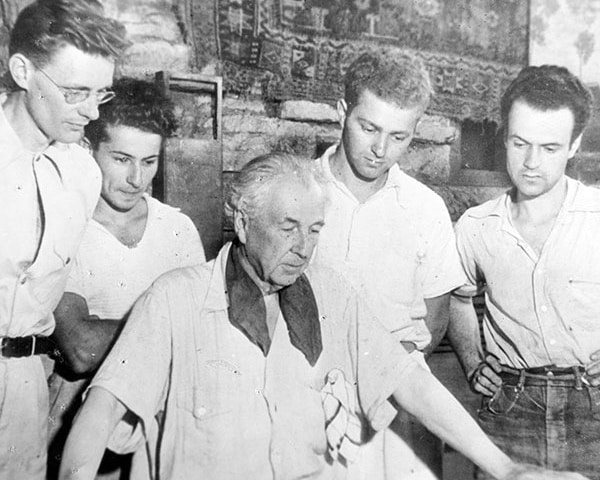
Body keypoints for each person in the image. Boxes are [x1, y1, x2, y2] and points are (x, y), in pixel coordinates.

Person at [58, 153, 587, 480]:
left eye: (315, 230)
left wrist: (507, 467)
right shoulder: (176, 300)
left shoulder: (329, 295)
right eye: (288, 226)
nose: (303, 247)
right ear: (242, 221)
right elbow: (97, 419)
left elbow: (410, 382)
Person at [313, 51, 465, 478]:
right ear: (342, 112)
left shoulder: (426, 209)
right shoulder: (299, 191)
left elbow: (435, 320)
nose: (380, 150)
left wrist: (390, 371)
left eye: (399, 136)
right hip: (311, 392)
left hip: (402, 403)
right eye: (368, 127)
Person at [46, 78, 205, 479]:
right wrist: (168, 327)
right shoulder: (68, 227)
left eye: (149, 161)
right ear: (90, 148)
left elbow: (203, 338)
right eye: (121, 159)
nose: (137, 177)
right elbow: (79, 347)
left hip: (159, 424)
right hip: (73, 418)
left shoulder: (178, 229)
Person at [448, 65, 599, 479]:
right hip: (511, 407)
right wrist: (473, 361)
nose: (531, 163)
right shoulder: (475, 226)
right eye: (520, 143)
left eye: (550, 148)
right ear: (504, 137)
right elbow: (458, 298)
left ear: (574, 145)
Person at [0, 1, 127, 477]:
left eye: (102, 94)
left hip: (27, 394)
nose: (92, 112)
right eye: (76, 93)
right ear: (23, 71)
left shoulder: (82, 174)